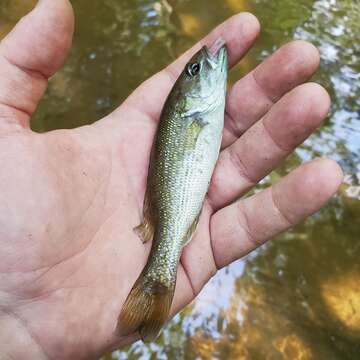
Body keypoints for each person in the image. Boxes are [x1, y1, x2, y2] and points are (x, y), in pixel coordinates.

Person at [0, 0, 343, 359]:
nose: (204, 64)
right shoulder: (194, 113)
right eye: (196, 70)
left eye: (192, 69)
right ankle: (158, 277)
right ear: (185, 99)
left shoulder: (197, 111)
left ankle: (155, 285)